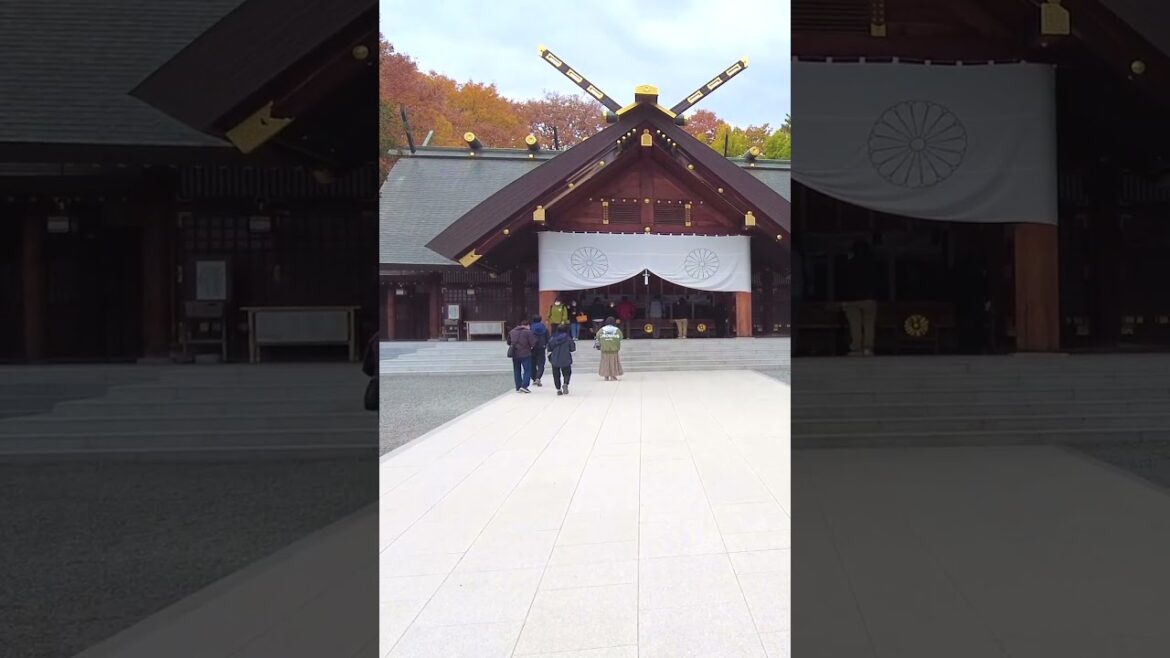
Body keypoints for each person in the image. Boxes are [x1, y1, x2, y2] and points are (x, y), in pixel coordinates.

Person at [838, 239, 878, 356]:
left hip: (851, 298)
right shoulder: (872, 263)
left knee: (854, 324)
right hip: (869, 298)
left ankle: (856, 347)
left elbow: (843, 281)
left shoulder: (848, 263)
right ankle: (868, 348)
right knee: (869, 323)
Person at [507, 318, 537, 393]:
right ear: (528, 326)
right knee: (527, 370)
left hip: (515, 354)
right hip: (525, 353)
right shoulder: (528, 332)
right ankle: (524, 386)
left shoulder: (512, 332)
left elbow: (508, 342)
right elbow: (533, 343)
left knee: (517, 370)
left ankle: (518, 386)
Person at [547, 323, 576, 396]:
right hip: (566, 358)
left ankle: (558, 389)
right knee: (567, 373)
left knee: (556, 374)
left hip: (555, 358)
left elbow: (549, 348)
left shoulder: (553, 338)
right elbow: (572, 349)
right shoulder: (568, 338)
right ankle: (565, 383)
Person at [594, 316, 624, 381]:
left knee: (605, 363)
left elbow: (597, 336)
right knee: (614, 363)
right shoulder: (617, 330)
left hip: (604, 349)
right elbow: (621, 337)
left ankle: (606, 376)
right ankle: (613, 376)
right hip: (614, 349)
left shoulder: (602, 330)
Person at [529, 314, 549, 387]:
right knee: (541, 364)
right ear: (540, 320)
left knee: (532, 364)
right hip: (541, 347)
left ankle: (534, 378)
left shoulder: (530, 328)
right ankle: (538, 377)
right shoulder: (545, 328)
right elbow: (548, 339)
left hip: (532, 348)